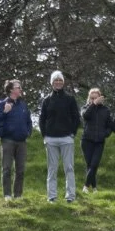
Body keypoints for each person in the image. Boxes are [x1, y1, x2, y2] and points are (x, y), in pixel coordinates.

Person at [38, 70, 80, 204]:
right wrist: (45, 135)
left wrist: (72, 133)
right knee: (52, 168)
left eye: (60, 80)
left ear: (63, 82)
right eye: (55, 80)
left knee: (69, 167)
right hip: (51, 139)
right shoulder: (47, 100)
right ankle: (51, 196)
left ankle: (70, 196)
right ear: (51, 83)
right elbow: (42, 119)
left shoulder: (70, 99)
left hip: (67, 138)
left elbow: (76, 118)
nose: (58, 82)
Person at [0, 78, 32, 201]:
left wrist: (28, 132)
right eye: (18, 87)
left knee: (20, 170)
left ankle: (18, 196)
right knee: (7, 169)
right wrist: (5, 112)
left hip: (22, 142)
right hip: (7, 141)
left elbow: (28, 121)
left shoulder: (23, 104)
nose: (21, 89)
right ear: (11, 89)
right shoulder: (2, 104)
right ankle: (7, 195)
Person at [81, 87, 112, 191]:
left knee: (94, 164)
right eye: (92, 98)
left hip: (99, 141)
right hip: (86, 140)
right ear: (89, 98)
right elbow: (85, 116)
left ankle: (86, 186)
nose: (94, 99)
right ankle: (94, 188)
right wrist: (93, 105)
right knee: (90, 165)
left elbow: (109, 125)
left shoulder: (105, 110)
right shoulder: (85, 108)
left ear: (100, 97)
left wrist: (105, 134)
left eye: (96, 98)